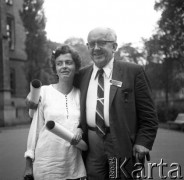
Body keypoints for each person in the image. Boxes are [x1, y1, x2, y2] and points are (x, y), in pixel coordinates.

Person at [74, 27, 158, 180]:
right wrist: (36, 98)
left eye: (102, 43)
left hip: (121, 144)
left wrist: (143, 142)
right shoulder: (81, 75)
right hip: (92, 145)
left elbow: (149, 115)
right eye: (91, 44)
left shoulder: (133, 72)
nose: (96, 48)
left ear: (114, 47)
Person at [24, 44, 86, 180]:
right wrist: (28, 164)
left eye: (68, 62)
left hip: (74, 166)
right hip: (45, 166)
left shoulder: (81, 94)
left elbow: (83, 124)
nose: (64, 66)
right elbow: (35, 129)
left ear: (76, 67)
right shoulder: (44, 92)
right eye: (59, 63)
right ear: (55, 69)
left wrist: (80, 130)